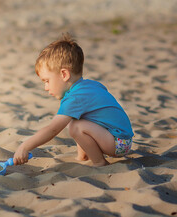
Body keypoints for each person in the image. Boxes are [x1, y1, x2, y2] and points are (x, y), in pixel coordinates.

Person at [13, 33, 134, 167]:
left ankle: (99, 162)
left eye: (47, 81)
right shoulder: (89, 85)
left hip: (118, 143)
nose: (46, 87)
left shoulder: (75, 98)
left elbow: (52, 129)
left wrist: (25, 146)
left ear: (64, 74)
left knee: (76, 126)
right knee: (78, 119)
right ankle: (83, 155)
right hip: (122, 139)